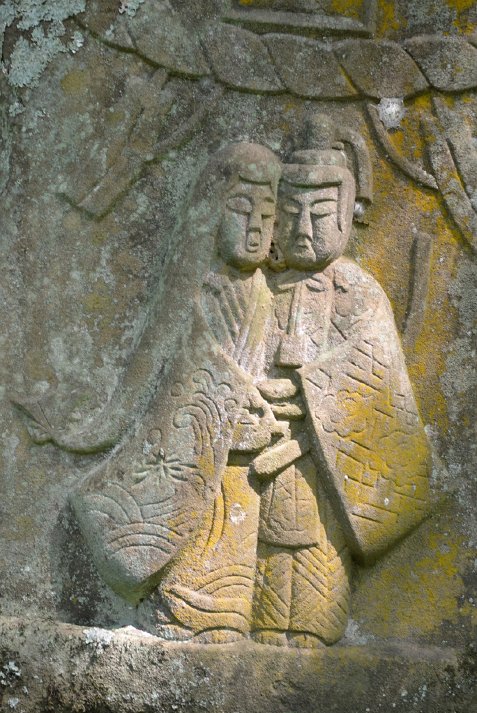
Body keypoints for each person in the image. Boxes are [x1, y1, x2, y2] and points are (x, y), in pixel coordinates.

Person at [68, 142, 284, 642]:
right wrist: (86, 433)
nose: (255, 226)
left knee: (227, 614)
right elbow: (147, 379)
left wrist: (262, 403)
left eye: (267, 213)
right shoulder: (194, 289)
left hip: (239, 483)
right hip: (185, 469)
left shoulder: (265, 295)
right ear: (211, 211)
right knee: (184, 614)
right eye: (241, 208)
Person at [248, 115, 431, 647]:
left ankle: (312, 633)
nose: (304, 229)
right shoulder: (260, 288)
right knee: (260, 559)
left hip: (328, 467)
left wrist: (313, 400)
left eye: (321, 214)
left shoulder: (358, 291)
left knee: (316, 561)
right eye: (290, 214)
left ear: (347, 216)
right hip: (260, 458)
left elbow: (377, 386)